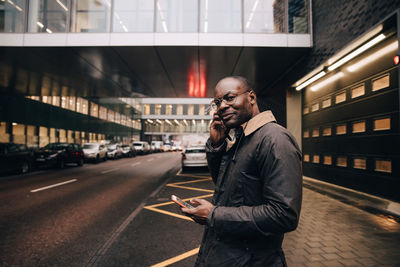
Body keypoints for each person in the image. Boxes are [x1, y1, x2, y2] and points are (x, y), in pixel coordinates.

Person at [181, 76, 302, 267]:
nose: (222, 106)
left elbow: (283, 215)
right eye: (218, 102)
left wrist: (214, 215)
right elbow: (226, 189)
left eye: (230, 98)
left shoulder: (275, 139)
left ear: (251, 98)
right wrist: (217, 145)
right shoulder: (241, 139)